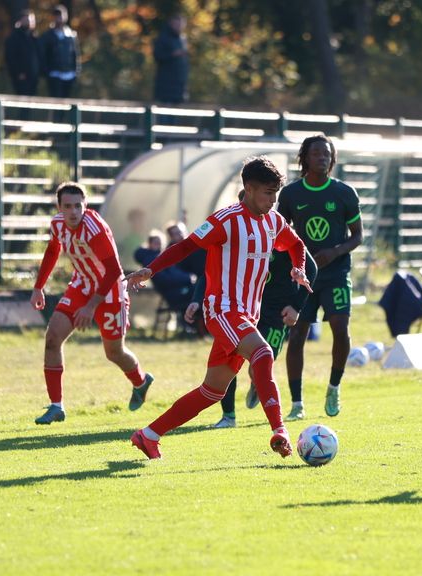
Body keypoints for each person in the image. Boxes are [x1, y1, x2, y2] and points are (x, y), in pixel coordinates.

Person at [125, 156, 311, 460]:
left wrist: (298, 268)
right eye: (267, 194)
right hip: (222, 310)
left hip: (246, 315)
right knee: (263, 354)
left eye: (275, 195)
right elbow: (186, 246)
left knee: (213, 391)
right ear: (248, 189)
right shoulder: (226, 220)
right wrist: (151, 269)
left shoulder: (274, 221)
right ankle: (279, 430)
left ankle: (148, 435)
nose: (272, 201)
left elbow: (295, 245)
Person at [184, 192, 319, 428]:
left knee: (261, 365)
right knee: (229, 361)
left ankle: (260, 391)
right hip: (239, 310)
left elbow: (312, 268)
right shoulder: (234, 232)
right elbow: (213, 272)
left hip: (276, 314)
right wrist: (197, 299)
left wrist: (296, 306)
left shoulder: (277, 230)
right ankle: (229, 416)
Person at [30, 182, 154, 425]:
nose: (74, 211)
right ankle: (56, 406)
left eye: (78, 205)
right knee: (52, 338)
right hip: (82, 285)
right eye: (68, 206)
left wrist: (91, 306)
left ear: (85, 205)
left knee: (114, 353)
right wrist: (38, 287)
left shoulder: (94, 228)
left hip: (109, 291)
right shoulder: (57, 224)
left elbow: (113, 271)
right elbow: (53, 251)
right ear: (59, 208)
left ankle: (141, 381)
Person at [277, 134, 362, 420]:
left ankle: (334, 386)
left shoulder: (344, 193)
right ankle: (297, 403)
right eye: (316, 153)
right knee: (298, 333)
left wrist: (335, 251)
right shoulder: (290, 195)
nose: (323, 158)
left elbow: (358, 236)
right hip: (303, 277)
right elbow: (279, 234)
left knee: (340, 327)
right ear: (305, 158)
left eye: (327, 154)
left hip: (336, 273)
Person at [39, 5, 78, 98]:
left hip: (69, 75)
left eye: (61, 15)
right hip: (54, 74)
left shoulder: (71, 35)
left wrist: (76, 72)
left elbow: (75, 54)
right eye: (57, 16)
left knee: (67, 104)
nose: (59, 18)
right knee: (56, 104)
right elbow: (43, 55)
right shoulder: (47, 36)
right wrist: (46, 72)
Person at [153, 14, 189, 105]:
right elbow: (157, 56)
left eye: (181, 24)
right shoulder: (163, 38)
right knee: (165, 114)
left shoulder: (182, 39)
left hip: (179, 86)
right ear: (171, 24)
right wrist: (172, 54)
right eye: (176, 24)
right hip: (166, 86)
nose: (179, 27)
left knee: (175, 114)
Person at [4, 10, 40, 96]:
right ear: (21, 20)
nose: (30, 22)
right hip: (21, 77)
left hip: (33, 76)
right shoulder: (14, 37)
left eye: (31, 20)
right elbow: (10, 57)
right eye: (27, 20)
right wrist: (18, 73)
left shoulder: (35, 37)